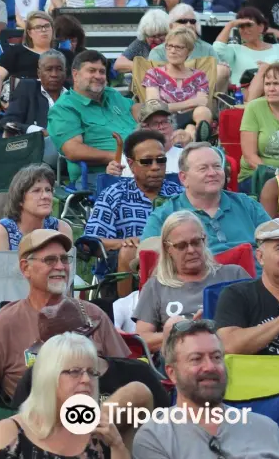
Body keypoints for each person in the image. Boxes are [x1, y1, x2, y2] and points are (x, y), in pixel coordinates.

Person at [0, 230, 130, 398]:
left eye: (64, 259)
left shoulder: (93, 315)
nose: (61, 266)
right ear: (26, 268)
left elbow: (124, 372)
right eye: (50, 260)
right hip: (33, 421)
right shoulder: (7, 322)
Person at [132, 320, 279, 457]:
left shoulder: (267, 429)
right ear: (172, 373)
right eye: (196, 359)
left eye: (216, 357)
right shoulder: (155, 438)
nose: (210, 367)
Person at [0, 333, 128, 458]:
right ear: (48, 377)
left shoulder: (100, 433)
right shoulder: (11, 432)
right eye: (74, 371)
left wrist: (117, 445)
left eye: (91, 372)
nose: (86, 379)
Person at [135, 210, 250, 354]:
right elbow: (142, 339)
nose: (191, 250)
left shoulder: (234, 274)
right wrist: (184, 331)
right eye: (181, 246)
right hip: (179, 361)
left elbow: (258, 321)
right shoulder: (155, 286)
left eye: (196, 242)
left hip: (231, 355)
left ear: (204, 239)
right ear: (167, 248)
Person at [86, 129, 184, 296]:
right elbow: (92, 241)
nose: (155, 167)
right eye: (147, 161)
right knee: (129, 251)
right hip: (129, 267)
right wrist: (126, 243)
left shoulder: (179, 194)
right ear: (131, 165)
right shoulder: (114, 194)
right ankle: (129, 312)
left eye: (161, 160)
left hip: (177, 260)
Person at [141, 142, 269, 254]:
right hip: (198, 280)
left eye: (217, 166)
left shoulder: (247, 205)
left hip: (254, 278)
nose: (212, 173)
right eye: (203, 168)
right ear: (184, 178)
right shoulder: (165, 215)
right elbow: (147, 257)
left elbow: (275, 243)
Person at [47, 50, 138, 183]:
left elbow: (134, 107)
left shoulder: (111, 94)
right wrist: (118, 157)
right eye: (91, 71)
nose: (98, 76)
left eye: (102, 71)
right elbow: (73, 150)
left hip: (142, 164)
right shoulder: (64, 108)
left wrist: (149, 115)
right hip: (97, 176)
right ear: (75, 74)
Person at [0, 12, 74, 106]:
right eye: (38, 27)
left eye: (47, 26)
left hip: (62, 103)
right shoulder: (15, 52)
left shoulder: (66, 55)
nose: (44, 30)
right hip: (23, 103)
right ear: (29, 32)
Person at [142, 27, 213, 135]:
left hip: (191, 120)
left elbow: (202, 103)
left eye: (178, 47)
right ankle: (190, 140)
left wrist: (169, 106)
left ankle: (196, 139)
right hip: (164, 121)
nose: (173, 51)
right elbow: (154, 107)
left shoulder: (199, 76)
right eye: (169, 46)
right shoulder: (154, 74)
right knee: (190, 129)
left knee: (203, 112)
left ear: (189, 50)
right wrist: (191, 103)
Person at [0, 164, 73, 251]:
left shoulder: (61, 229)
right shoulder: (2, 232)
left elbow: (66, 264)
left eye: (48, 190)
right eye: (36, 191)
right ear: (20, 199)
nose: (46, 196)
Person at [238, 63, 279, 194]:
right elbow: (249, 155)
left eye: (276, 84)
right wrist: (277, 175)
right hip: (258, 176)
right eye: (267, 84)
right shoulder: (254, 107)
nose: (271, 88)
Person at [215, 7, 279, 91]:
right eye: (241, 26)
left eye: (249, 25)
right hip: (244, 97)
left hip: (275, 93)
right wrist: (230, 25)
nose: (245, 30)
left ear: (261, 27)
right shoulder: (234, 49)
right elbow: (217, 49)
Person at [148, 4, 221, 66]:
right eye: (183, 21)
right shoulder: (158, 52)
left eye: (192, 21)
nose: (189, 25)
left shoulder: (207, 49)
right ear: (171, 26)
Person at [114, 10, 170, 74]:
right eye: (152, 36)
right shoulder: (141, 43)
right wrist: (145, 67)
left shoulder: (173, 44)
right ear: (145, 35)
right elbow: (118, 64)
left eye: (160, 35)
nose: (157, 40)